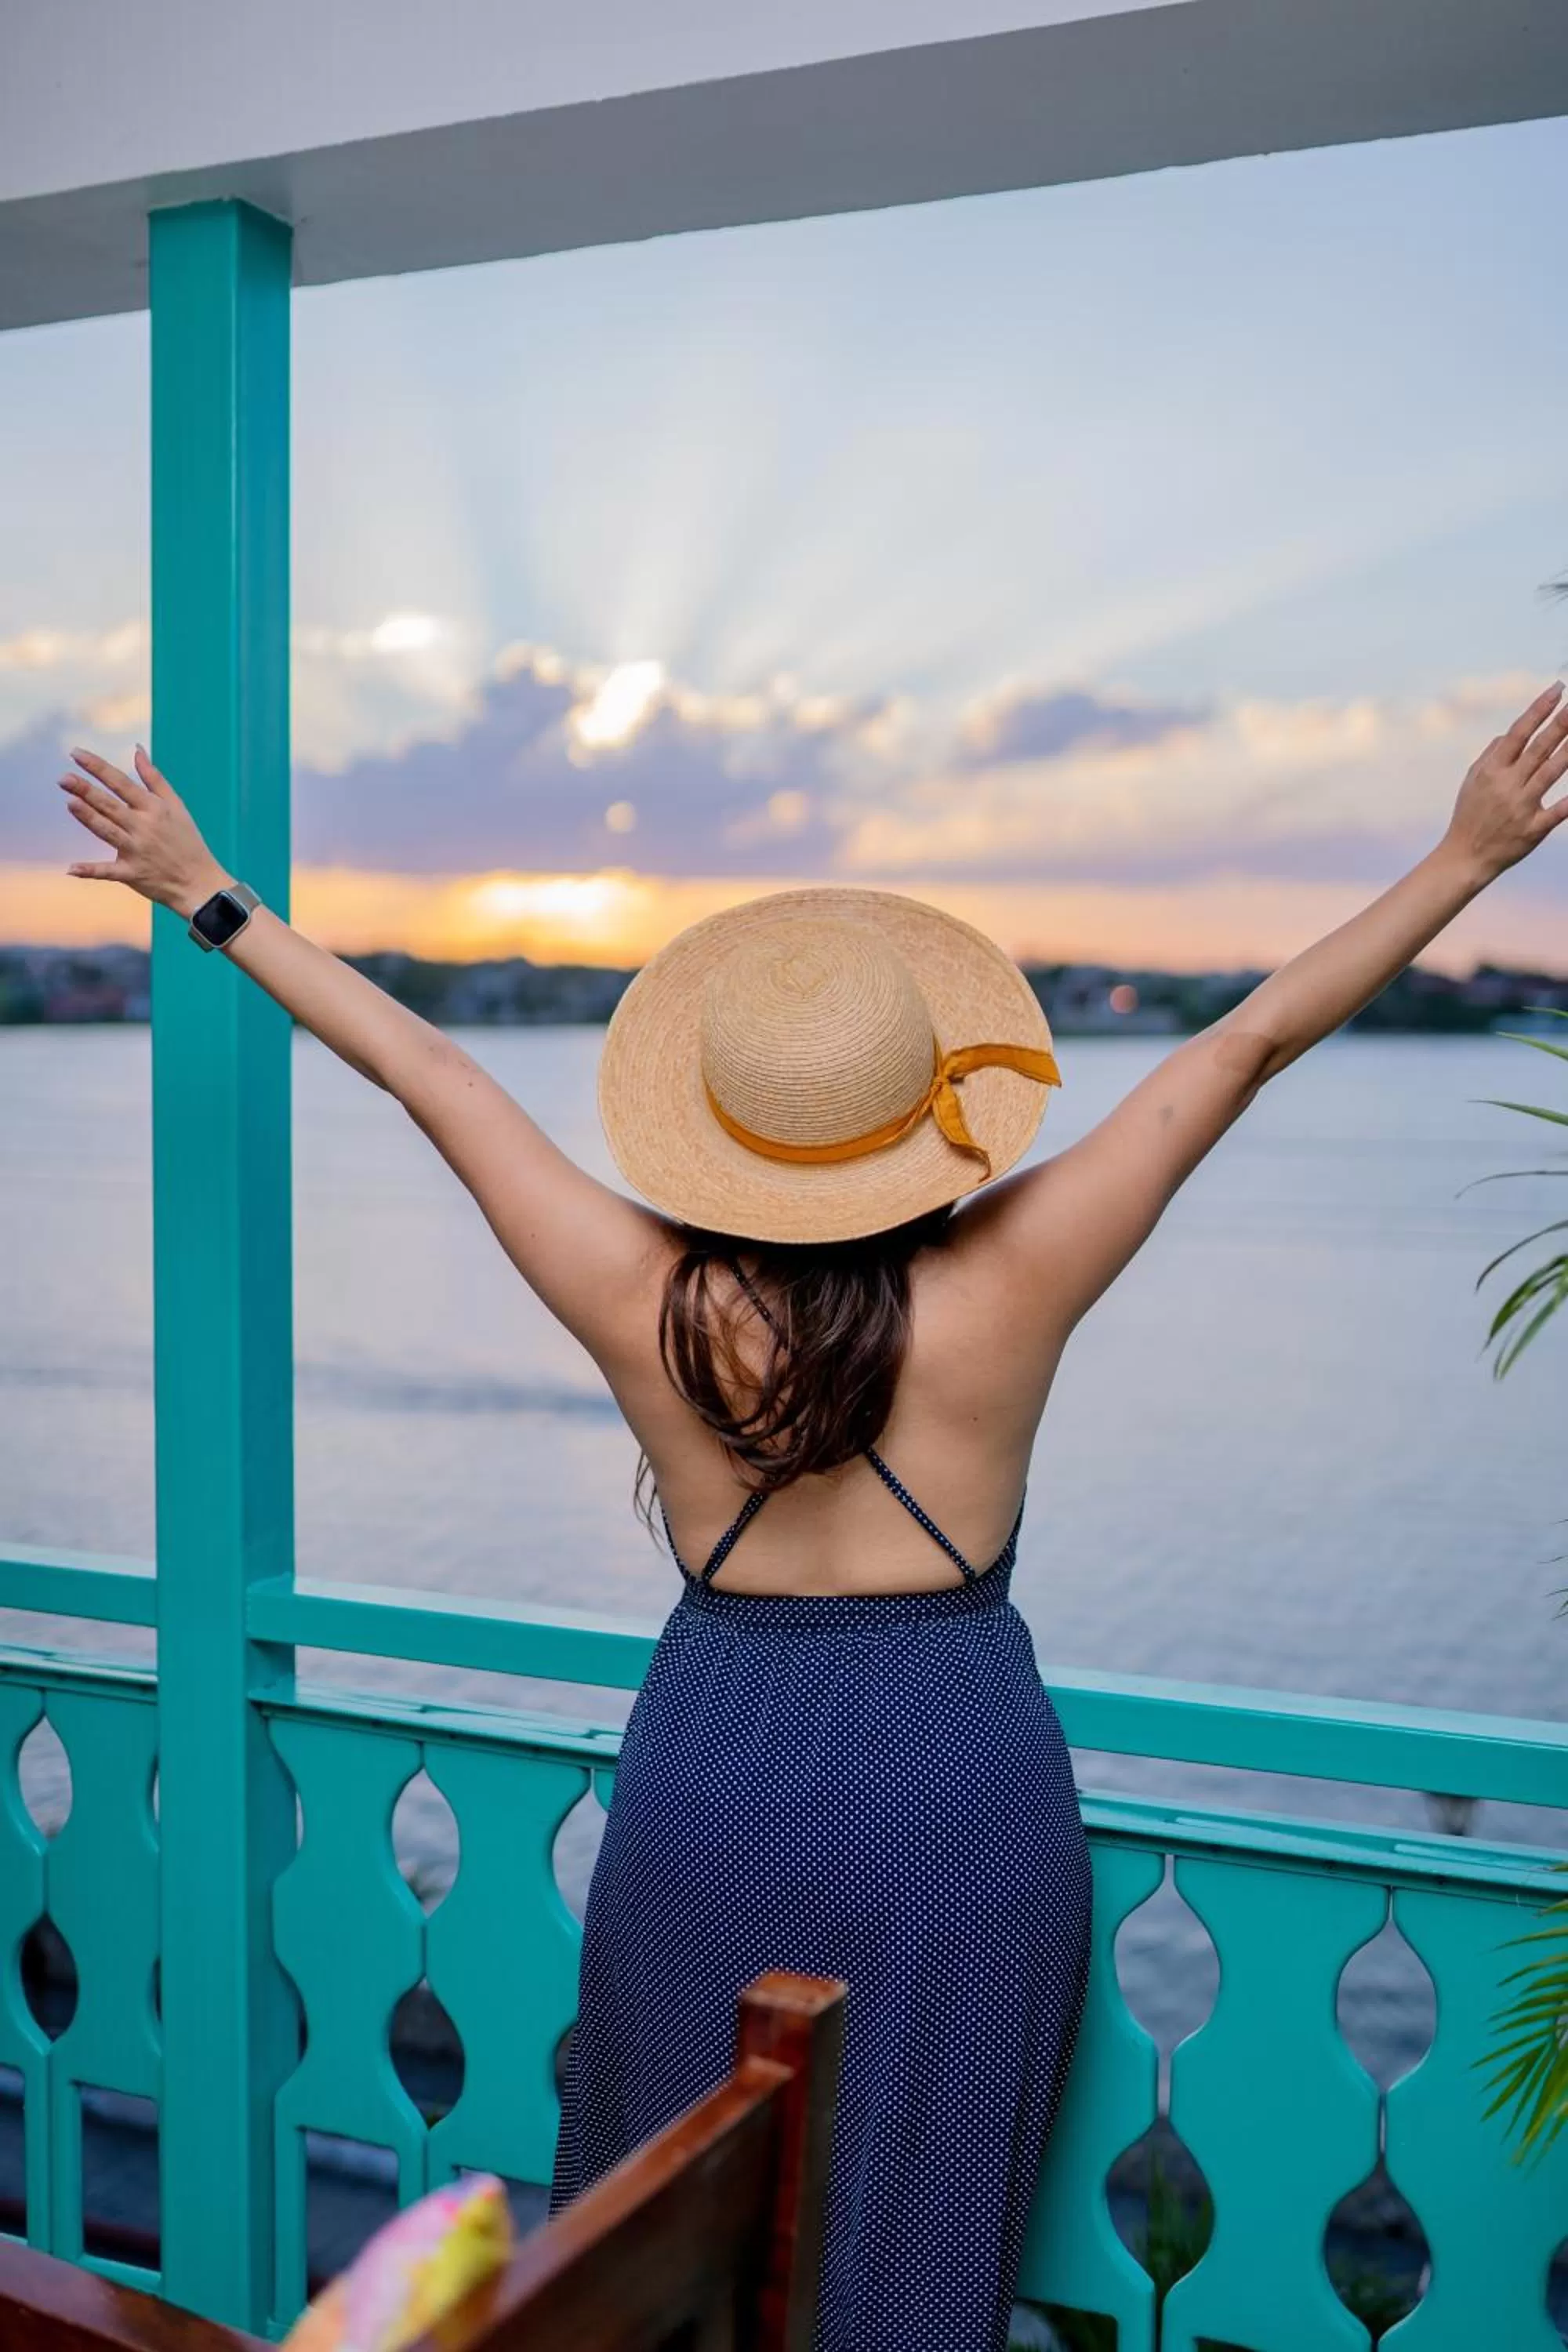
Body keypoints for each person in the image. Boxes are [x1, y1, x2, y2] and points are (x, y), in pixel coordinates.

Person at [54, 681, 1568, 2350]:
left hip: (718, 1776)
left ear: (721, 1135)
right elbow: (1244, 1041)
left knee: (672, 2228)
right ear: (919, 1122)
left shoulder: (649, 1301)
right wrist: (1463, 856)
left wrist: (209, 897)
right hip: (952, 1786)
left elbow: (432, 1076)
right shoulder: (1015, 1285)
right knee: (917, 2235)